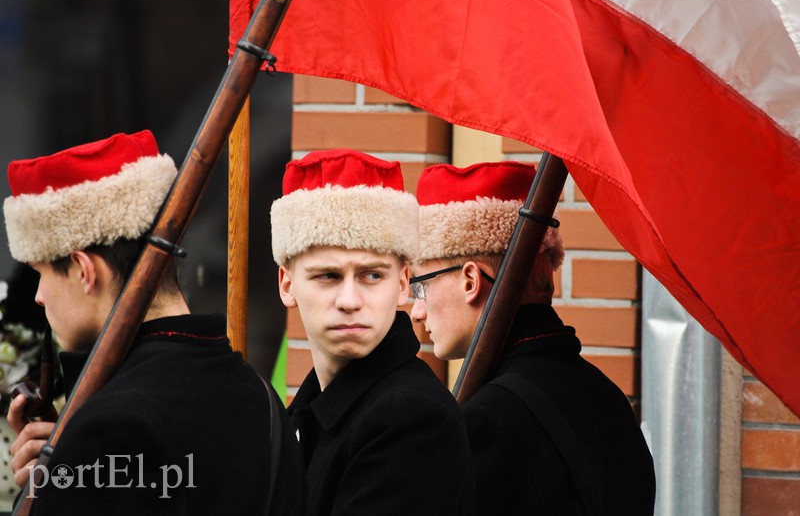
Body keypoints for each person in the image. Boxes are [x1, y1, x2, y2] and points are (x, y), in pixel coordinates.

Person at [2, 130, 304, 515]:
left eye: (40, 274)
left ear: (82, 270)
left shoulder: (108, 429)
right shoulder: (262, 397)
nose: (39, 296)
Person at [410, 161, 656, 515]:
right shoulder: (608, 397)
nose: (417, 311)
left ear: (470, 281)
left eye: (421, 286)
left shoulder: (490, 421)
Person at [270, 149, 475, 515]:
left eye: (372, 275)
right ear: (287, 285)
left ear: (403, 284)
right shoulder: (301, 415)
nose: (350, 300)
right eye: (328, 276)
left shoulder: (411, 419)